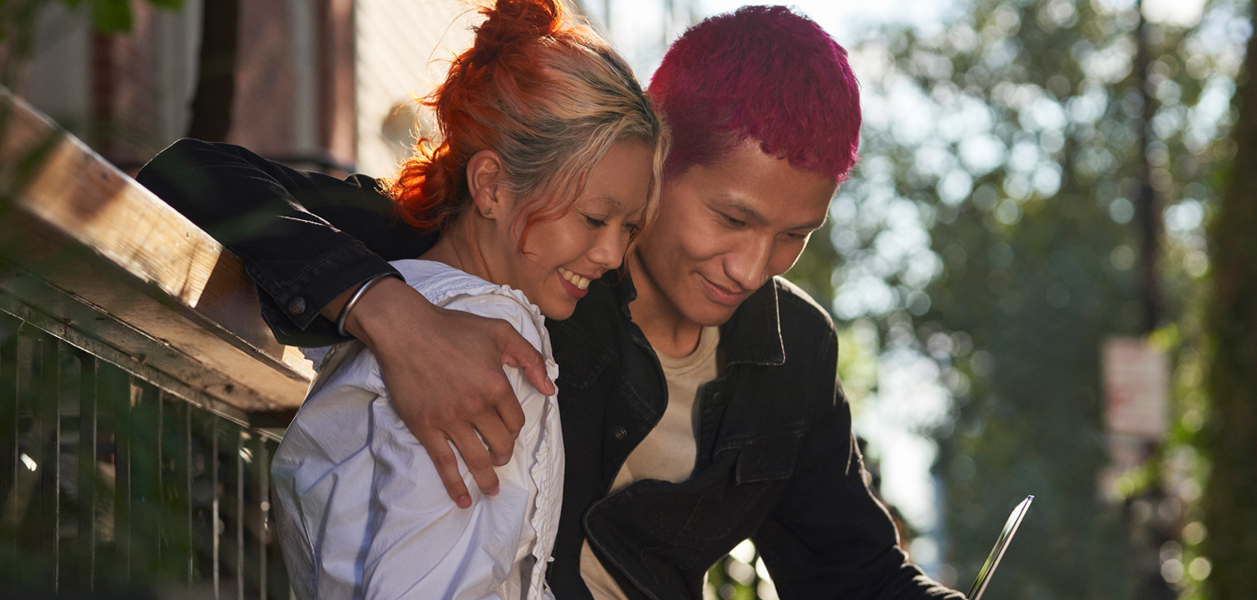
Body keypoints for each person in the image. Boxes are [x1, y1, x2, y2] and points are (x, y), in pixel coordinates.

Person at [139, 5, 961, 600]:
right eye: (732, 218)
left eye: (794, 235)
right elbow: (190, 176)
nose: (754, 268)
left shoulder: (796, 353)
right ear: (657, 152)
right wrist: (392, 314)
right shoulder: (515, 253)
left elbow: (851, 572)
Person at [141, 1, 665, 598]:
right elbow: (187, 171)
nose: (613, 256)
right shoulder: (487, 324)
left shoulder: (482, 282)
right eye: (596, 218)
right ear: (490, 186)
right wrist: (392, 314)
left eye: (629, 228)